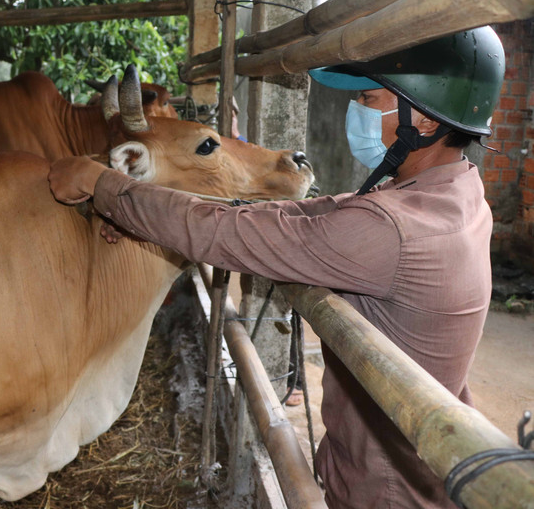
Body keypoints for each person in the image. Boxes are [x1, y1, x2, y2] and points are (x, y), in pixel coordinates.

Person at [48, 26, 505, 509]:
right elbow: (315, 212)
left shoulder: (392, 229)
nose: (356, 110)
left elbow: (229, 235)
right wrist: (137, 213)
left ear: (425, 122)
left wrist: (103, 185)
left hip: (384, 491)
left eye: (368, 99)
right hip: (405, 466)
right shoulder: (453, 193)